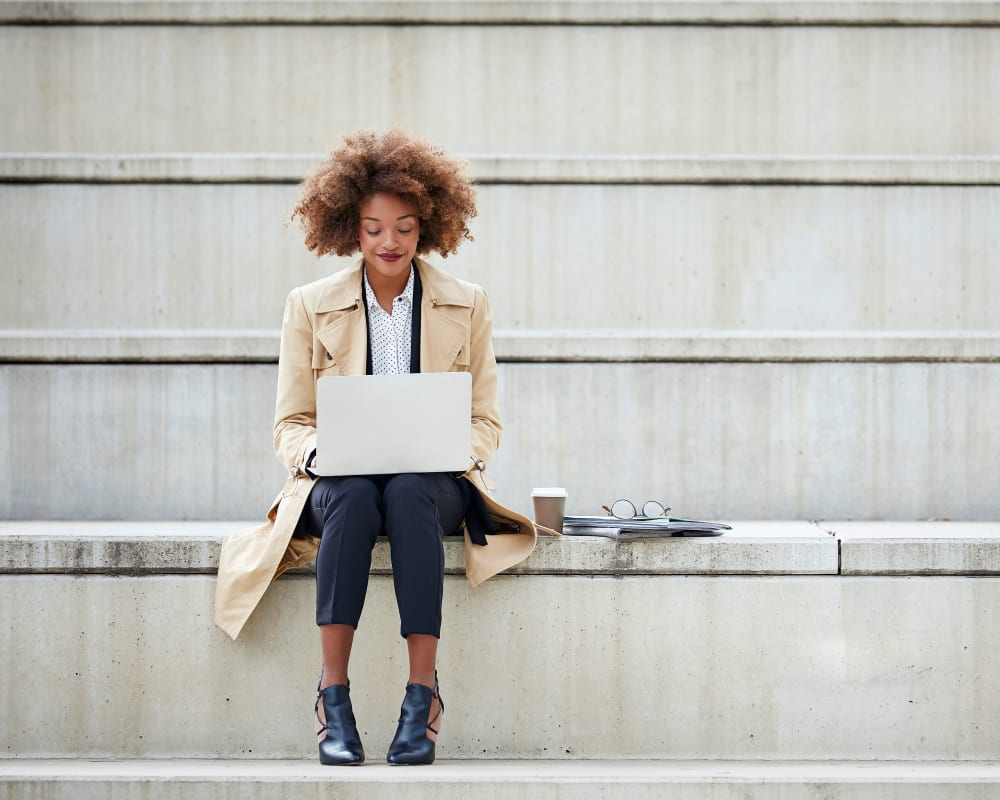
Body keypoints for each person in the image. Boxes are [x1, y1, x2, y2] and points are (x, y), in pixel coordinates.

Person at [213, 130, 542, 766]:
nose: (389, 242)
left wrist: (452, 446)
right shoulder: (309, 306)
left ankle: (422, 695)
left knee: (412, 490)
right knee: (358, 494)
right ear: (349, 230)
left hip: (433, 482)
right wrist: (321, 453)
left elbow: (486, 422)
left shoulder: (466, 303)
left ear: (428, 227)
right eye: (372, 229)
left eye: (404, 227)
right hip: (339, 483)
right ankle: (332, 695)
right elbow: (290, 424)